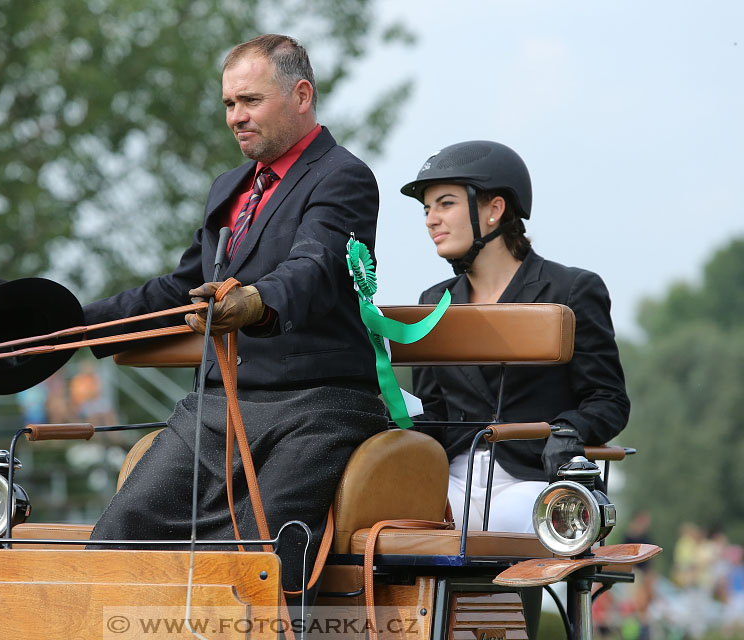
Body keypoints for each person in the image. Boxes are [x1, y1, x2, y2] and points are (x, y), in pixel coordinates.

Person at [81, 34, 387, 590]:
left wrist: (255, 302)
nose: (236, 118)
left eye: (250, 101)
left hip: (318, 406)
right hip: (219, 406)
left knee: (257, 562)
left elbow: (314, 268)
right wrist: (80, 323)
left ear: (300, 95)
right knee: (115, 540)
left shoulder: (343, 176)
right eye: (228, 104)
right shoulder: (230, 187)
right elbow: (183, 287)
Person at [400, 140, 630, 532]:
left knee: (507, 521)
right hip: (453, 475)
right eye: (426, 209)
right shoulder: (432, 302)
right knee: (394, 518)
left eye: (445, 204)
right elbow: (434, 413)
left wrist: (567, 429)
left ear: (494, 209)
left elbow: (608, 400)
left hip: (533, 476)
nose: (430, 220)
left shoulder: (571, 290)